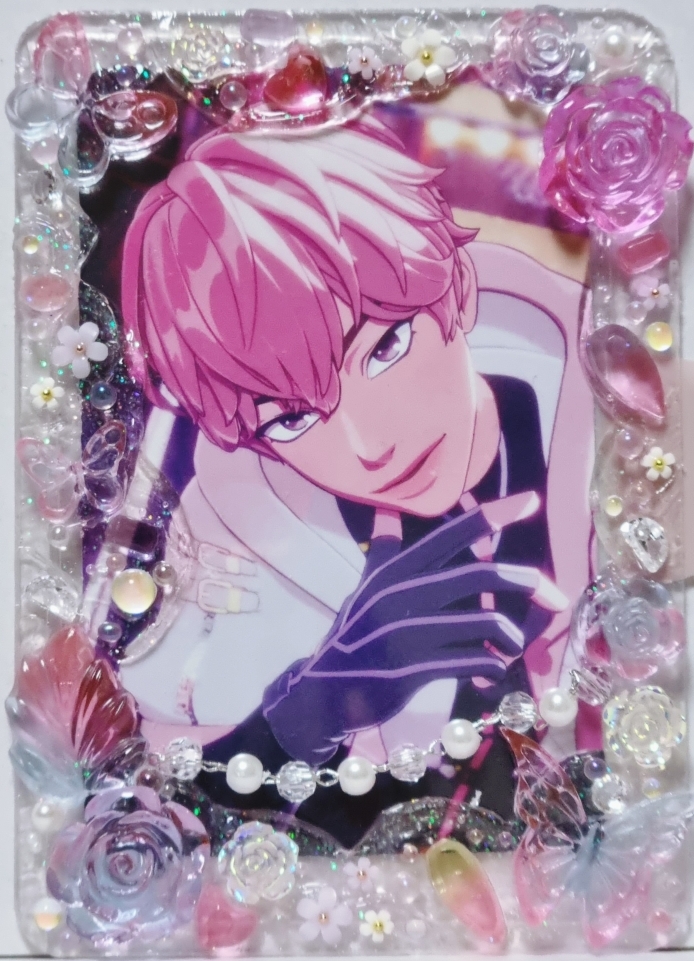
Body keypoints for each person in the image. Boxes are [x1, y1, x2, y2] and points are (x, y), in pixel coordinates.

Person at [120, 113, 592, 842]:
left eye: (386, 347)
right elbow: (148, 778)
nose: (370, 447)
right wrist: (308, 710)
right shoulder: (233, 515)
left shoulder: (593, 391)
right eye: (290, 420)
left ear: (457, 285)